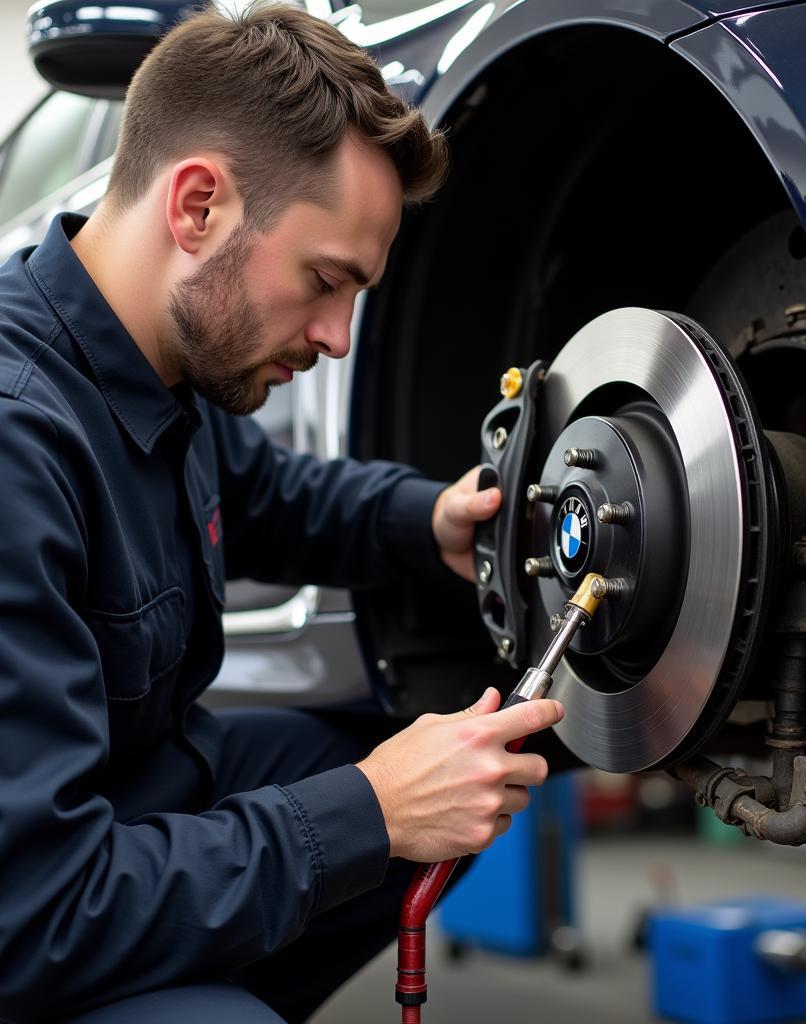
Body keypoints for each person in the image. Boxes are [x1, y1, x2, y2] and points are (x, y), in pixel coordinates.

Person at [0, 4, 563, 1021]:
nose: (338, 338)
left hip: (116, 801)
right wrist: (367, 812)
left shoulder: (157, 365)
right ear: (199, 207)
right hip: (31, 909)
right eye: (324, 281)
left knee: (427, 789)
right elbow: (34, 911)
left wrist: (425, 515)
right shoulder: (15, 446)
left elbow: (267, 496)